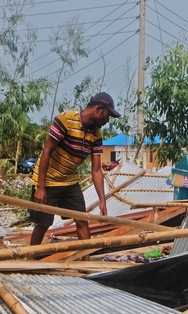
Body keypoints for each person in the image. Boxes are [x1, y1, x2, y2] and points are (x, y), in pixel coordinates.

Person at [29, 92, 120, 245]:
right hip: (49, 180)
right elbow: (47, 151)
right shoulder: (65, 120)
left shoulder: (96, 135)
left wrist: (102, 200)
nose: (107, 120)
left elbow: (96, 170)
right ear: (98, 109)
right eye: (107, 115)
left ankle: (86, 263)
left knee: (82, 220)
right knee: (44, 223)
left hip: (69, 181)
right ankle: (30, 258)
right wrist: (40, 187)